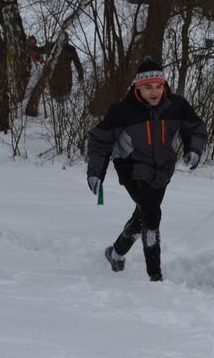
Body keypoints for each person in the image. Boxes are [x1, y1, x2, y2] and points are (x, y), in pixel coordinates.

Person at [86, 57, 206, 282]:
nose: (154, 92)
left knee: (142, 216)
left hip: (162, 170)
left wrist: (194, 149)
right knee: (152, 214)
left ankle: (115, 253)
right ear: (137, 87)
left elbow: (196, 128)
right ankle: (155, 275)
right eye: (148, 87)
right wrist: (95, 172)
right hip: (131, 168)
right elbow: (100, 141)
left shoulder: (177, 105)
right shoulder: (122, 110)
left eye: (159, 86)